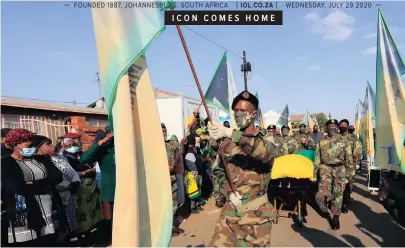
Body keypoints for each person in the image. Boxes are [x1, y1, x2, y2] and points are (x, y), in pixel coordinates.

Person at [207, 91, 276, 247]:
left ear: (254, 114)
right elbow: (218, 172)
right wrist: (227, 191)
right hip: (230, 213)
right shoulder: (226, 143)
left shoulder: (266, 138)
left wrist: (230, 133)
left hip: (256, 217)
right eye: (236, 110)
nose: (238, 114)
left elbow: (265, 153)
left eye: (243, 111)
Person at [1, 129, 65, 245]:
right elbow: (17, 187)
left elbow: (57, 177)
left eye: (31, 141)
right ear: (16, 144)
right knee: (30, 241)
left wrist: (32, 183)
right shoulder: (7, 163)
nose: (30, 144)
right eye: (26, 142)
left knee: (49, 240)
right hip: (25, 210)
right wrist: (46, 184)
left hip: (48, 208)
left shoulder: (40, 159)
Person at [31, 135, 81, 244]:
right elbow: (54, 179)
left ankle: (69, 239)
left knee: (70, 222)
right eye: (48, 144)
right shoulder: (34, 162)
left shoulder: (60, 158)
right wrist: (67, 186)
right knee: (54, 226)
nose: (51, 146)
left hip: (68, 193)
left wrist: (76, 181)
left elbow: (72, 172)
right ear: (38, 147)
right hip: (54, 195)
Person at [314, 119, 353, 230]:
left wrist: (349, 174)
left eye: (333, 125)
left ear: (336, 127)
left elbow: (349, 157)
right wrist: (314, 172)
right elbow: (317, 157)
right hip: (325, 167)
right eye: (329, 126)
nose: (331, 127)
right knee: (323, 190)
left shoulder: (344, 140)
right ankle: (326, 205)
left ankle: (336, 216)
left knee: (338, 193)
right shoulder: (321, 141)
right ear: (326, 128)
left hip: (339, 168)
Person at [62, 137, 103, 235]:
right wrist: (85, 171)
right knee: (82, 210)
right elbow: (74, 171)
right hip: (80, 187)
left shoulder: (80, 154)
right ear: (64, 147)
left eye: (73, 144)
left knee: (92, 208)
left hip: (90, 185)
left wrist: (89, 169)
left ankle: (91, 228)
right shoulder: (66, 158)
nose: (73, 147)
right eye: (69, 146)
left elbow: (89, 163)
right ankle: (82, 232)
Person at [79, 126, 116, 238]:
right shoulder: (105, 149)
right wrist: (100, 143)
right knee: (112, 217)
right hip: (111, 188)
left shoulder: (128, 147)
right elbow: (84, 158)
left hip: (128, 187)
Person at [162, 125, 184, 236]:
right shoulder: (151, 148)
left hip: (172, 180)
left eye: (165, 131)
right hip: (160, 183)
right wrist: (165, 169)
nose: (163, 133)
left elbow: (179, 152)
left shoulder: (170, 146)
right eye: (161, 131)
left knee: (173, 205)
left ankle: (171, 227)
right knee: (163, 207)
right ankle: (164, 230)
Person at [338, 120, 362, 214]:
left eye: (345, 125)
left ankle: (345, 203)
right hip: (338, 166)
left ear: (347, 127)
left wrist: (356, 165)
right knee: (338, 186)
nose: (343, 127)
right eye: (341, 125)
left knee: (349, 186)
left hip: (350, 166)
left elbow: (358, 151)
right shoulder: (335, 138)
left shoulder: (353, 138)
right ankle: (338, 203)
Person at [184, 135, 205, 214]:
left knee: (197, 190)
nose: (196, 143)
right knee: (193, 191)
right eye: (195, 141)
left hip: (197, 173)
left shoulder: (194, 150)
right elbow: (191, 165)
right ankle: (192, 208)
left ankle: (197, 205)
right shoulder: (189, 153)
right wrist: (195, 173)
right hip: (193, 174)